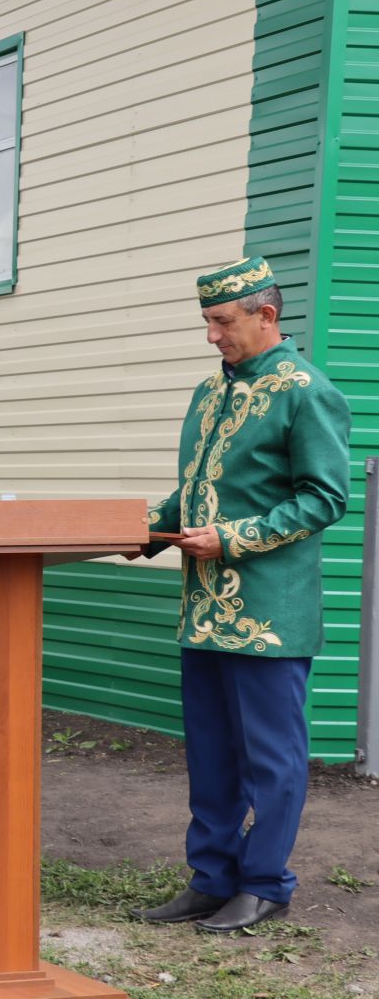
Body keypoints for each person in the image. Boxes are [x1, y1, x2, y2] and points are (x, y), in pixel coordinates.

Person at [130, 257, 349, 934]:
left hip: (268, 613)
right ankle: (214, 878)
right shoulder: (209, 393)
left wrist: (232, 539)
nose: (212, 336)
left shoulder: (306, 391)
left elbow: (324, 498)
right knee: (212, 754)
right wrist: (149, 530)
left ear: (267, 315)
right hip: (204, 609)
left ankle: (265, 882)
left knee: (272, 759)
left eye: (222, 322)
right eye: (208, 323)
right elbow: (196, 487)